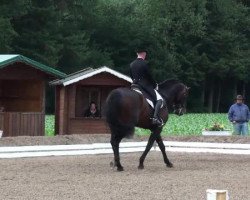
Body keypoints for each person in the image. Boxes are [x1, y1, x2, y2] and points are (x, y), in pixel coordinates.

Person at [130, 46, 163, 126]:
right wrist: (155, 85)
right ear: (144, 54)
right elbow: (149, 76)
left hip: (134, 85)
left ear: (137, 54)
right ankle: (155, 118)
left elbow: (131, 76)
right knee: (159, 99)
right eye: (145, 54)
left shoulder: (131, 64)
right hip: (144, 86)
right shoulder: (145, 63)